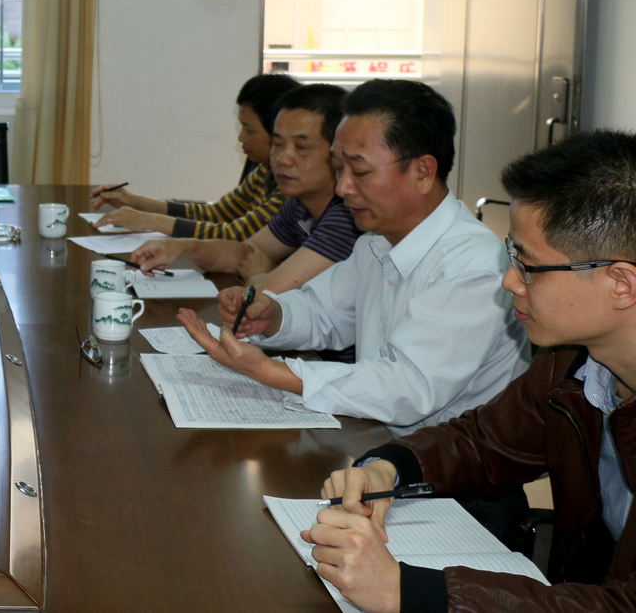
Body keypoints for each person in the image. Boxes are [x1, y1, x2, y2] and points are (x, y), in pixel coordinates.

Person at [308, 131, 636, 613]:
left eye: (528, 266)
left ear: (620, 284)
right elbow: (483, 441)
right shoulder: (571, 365)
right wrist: (387, 468)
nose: (509, 281)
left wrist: (408, 591)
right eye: (511, 257)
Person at [179, 79, 529, 434]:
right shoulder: (376, 243)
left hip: (448, 463)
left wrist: (270, 371)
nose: (343, 187)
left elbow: (406, 388)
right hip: (380, 442)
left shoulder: (473, 267)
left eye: (360, 171)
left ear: (422, 172)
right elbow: (323, 313)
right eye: (338, 168)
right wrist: (273, 316)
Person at [131, 83, 359, 294]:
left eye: (301, 147)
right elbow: (245, 252)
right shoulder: (298, 205)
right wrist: (181, 248)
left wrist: (262, 275)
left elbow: (268, 290)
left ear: (338, 152)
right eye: (278, 144)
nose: (283, 158)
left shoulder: (347, 216)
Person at [91, 72, 300, 238]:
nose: (241, 137)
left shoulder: (294, 185)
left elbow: (237, 234)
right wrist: (136, 202)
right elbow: (218, 213)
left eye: (249, 129)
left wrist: (151, 221)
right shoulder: (265, 169)